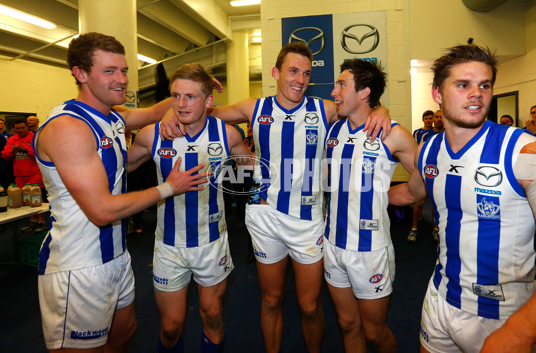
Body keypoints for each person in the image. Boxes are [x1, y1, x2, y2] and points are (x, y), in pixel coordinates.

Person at [179, 42, 391, 353]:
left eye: (306, 73)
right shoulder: (255, 107)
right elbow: (201, 112)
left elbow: (363, 106)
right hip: (266, 217)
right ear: (276, 73)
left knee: (309, 305)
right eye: (293, 71)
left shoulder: (324, 109)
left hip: (308, 222)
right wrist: (174, 112)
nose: (300, 79)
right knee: (272, 299)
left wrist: (382, 109)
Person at [389, 44, 536, 353]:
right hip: (440, 297)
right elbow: (410, 193)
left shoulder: (527, 153)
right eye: (463, 85)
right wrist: (356, 194)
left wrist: (521, 331)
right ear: (437, 94)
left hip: (504, 315)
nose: (477, 94)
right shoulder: (429, 149)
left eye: (484, 85)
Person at [33, 32, 208, 352]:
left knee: (124, 334)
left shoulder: (113, 117)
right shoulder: (69, 128)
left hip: (116, 255)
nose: (121, 80)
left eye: (124, 70)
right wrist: (170, 187)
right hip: (80, 265)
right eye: (109, 71)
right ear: (80, 74)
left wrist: (192, 90)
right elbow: (101, 209)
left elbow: (158, 110)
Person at [127, 62, 253, 353]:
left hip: (211, 242)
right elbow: (121, 169)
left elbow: (254, 171)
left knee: (212, 315)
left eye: (191, 96)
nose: (181, 104)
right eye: (175, 96)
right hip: (169, 246)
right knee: (170, 328)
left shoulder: (227, 134)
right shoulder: (152, 135)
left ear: (208, 101)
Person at [324, 59, 416, 352]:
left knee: (374, 332)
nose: (334, 90)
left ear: (364, 92)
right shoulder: (334, 129)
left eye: (341, 84)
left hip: (370, 249)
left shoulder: (393, 133)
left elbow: (428, 178)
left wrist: (389, 196)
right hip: (332, 244)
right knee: (347, 325)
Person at [1, 119, 46, 231]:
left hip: (34, 173)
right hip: (19, 175)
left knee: (36, 196)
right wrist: (12, 152)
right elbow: (5, 155)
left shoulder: (35, 137)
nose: (20, 130)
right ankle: (32, 221)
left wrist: (25, 150)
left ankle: (41, 221)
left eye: (22, 128)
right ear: (14, 129)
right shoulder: (12, 139)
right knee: (25, 199)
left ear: (27, 127)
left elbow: (40, 153)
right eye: (17, 128)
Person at [407, 109, 439, 243]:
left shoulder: (439, 133)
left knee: (435, 203)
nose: (430, 120)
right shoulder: (418, 132)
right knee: (418, 202)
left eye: (432, 118)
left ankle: (436, 229)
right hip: (420, 170)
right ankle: (414, 228)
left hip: (436, 171)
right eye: (427, 118)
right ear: (423, 120)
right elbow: (414, 149)